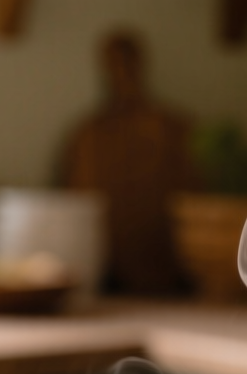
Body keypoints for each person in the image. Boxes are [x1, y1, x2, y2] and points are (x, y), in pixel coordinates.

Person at [58, 30, 196, 295]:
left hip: (171, 280)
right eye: (115, 62)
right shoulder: (89, 138)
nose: (122, 70)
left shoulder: (174, 132)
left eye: (128, 61)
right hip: (108, 281)